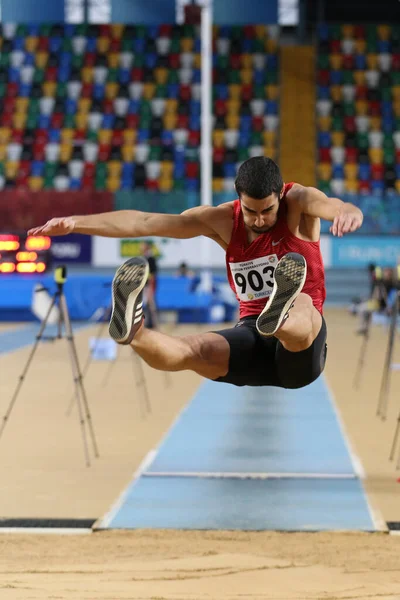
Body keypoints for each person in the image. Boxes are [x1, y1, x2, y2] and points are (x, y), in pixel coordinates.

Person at [28, 157, 363, 389]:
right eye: (250, 211)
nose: (259, 220)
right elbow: (145, 222)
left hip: (300, 357)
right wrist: (76, 223)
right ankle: (134, 333)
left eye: (267, 211)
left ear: (280, 195)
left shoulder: (300, 201)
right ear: (238, 198)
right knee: (193, 351)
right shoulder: (220, 219)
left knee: (303, 304)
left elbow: (333, 205)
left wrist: (347, 211)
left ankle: (281, 315)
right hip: (250, 333)